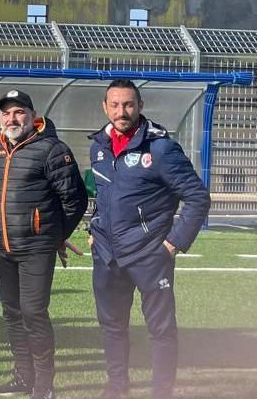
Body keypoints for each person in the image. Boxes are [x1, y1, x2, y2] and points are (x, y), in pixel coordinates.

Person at [88, 79, 211, 399]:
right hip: (108, 256)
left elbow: (197, 197)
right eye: (114, 105)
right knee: (112, 327)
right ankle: (117, 388)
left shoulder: (160, 148)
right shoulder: (98, 145)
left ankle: (161, 392)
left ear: (140, 106)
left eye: (128, 104)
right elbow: (104, 195)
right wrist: (94, 230)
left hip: (149, 256)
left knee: (160, 330)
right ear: (104, 107)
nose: (121, 111)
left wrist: (172, 245)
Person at [0, 90, 88, 399]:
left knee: (33, 313)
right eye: (6, 113)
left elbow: (75, 200)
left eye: (18, 112)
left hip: (35, 250)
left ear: (32, 115)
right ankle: (22, 377)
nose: (12, 119)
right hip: (2, 248)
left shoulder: (52, 150)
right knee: (13, 314)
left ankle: (44, 384)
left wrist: (53, 236)